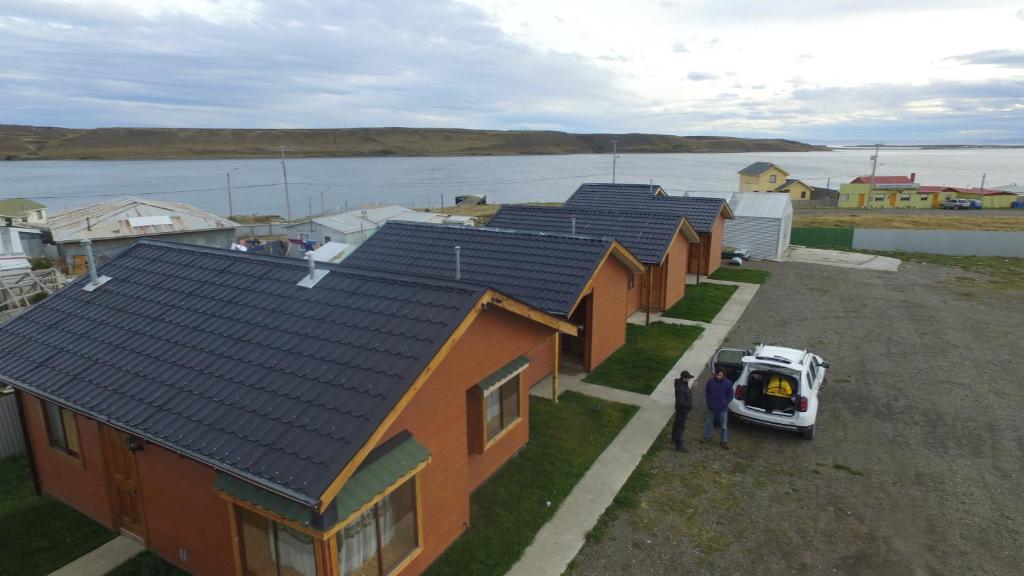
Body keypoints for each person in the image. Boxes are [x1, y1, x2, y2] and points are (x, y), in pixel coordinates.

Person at [703, 368, 734, 449]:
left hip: (722, 408)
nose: (718, 377)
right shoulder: (711, 381)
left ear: (723, 375)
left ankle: (723, 441)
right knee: (709, 422)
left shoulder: (728, 383)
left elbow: (731, 395)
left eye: (720, 375)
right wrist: (708, 401)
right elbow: (707, 391)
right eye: (716, 375)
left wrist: (725, 403)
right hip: (712, 407)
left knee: (723, 426)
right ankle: (707, 437)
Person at [671, 370, 694, 452]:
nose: (689, 380)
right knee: (680, 427)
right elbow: (681, 402)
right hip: (682, 410)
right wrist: (689, 405)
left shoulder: (681, 384)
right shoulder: (681, 388)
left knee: (677, 425)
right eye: (688, 378)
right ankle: (679, 445)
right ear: (685, 378)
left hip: (681, 410)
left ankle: (674, 439)